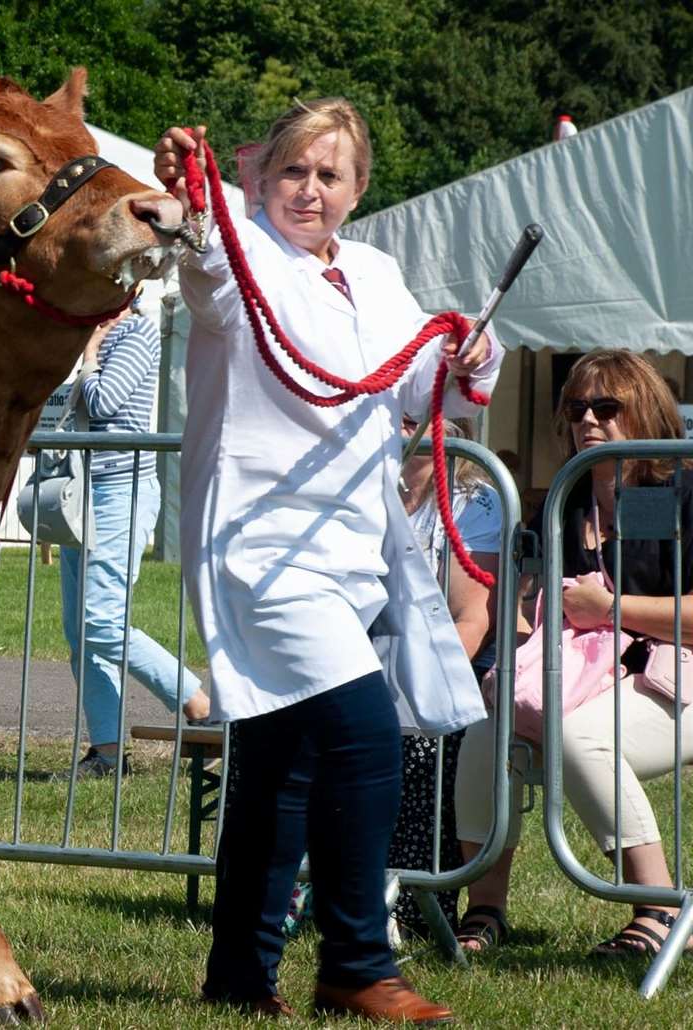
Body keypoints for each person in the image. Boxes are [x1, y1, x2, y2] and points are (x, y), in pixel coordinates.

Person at [156, 98, 498, 1021]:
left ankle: (238, 975)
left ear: (357, 189)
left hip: (351, 548)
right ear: (259, 174)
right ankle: (355, 962)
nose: (309, 190)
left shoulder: (377, 272)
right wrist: (192, 198)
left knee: (280, 763)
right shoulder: (239, 251)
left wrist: (468, 349)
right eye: (293, 170)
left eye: (329, 175)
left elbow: (424, 381)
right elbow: (207, 264)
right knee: (362, 733)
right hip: (260, 546)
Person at [453, 349, 693, 959]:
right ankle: (484, 909)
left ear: (646, 413)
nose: (589, 419)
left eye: (607, 407)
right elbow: (529, 609)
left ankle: (660, 911)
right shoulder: (563, 501)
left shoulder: (682, 490)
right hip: (585, 674)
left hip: (677, 676)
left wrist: (609, 609)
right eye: (576, 407)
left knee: (584, 738)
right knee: (486, 732)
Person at [21, 308, 211, 778]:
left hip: (119, 493)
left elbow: (104, 401)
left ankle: (198, 703)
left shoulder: (137, 330)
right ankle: (106, 754)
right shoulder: (83, 325)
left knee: (101, 621)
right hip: (78, 491)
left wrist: (87, 357)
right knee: (79, 633)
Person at [388, 415, 502, 938]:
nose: (402, 422)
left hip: (440, 672)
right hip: (363, 660)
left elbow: (471, 622)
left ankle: (410, 905)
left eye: (415, 411)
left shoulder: (474, 501)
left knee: (420, 741)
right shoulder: (355, 489)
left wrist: (407, 690)